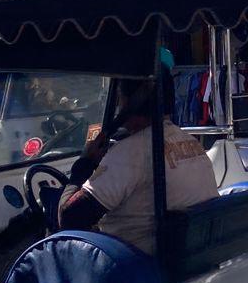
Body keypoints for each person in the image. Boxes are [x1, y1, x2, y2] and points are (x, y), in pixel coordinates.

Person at [58, 78, 219, 255]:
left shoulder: (130, 152)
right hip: (186, 259)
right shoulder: (193, 143)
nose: (118, 105)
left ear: (131, 104)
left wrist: (84, 164)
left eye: (119, 98)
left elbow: (69, 218)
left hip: (132, 266)